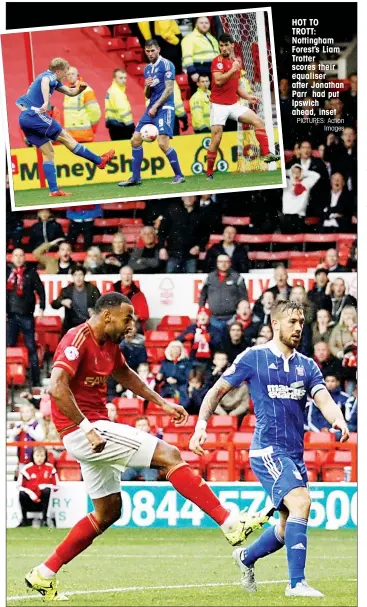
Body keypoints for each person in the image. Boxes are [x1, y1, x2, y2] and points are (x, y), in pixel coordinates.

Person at [25, 293, 269, 599]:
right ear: (107, 315)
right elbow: (57, 388)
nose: (131, 325)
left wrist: (161, 403)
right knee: (171, 455)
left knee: (107, 513)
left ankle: (43, 573)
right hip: (86, 430)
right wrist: (87, 429)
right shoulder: (76, 339)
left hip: (93, 431)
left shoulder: (110, 344)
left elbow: (125, 374)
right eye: (127, 318)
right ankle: (229, 521)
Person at [190, 300, 349, 598]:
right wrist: (201, 426)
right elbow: (216, 391)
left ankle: (246, 557)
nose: (298, 327)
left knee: (287, 524)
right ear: (276, 324)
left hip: (294, 453)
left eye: (301, 322)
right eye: (292, 322)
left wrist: (338, 420)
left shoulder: (307, 364)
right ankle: (296, 584)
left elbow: (323, 399)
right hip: (267, 450)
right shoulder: (254, 357)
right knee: (302, 502)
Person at [16, 57, 114, 197]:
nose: (66, 75)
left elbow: (70, 92)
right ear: (58, 71)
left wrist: (80, 89)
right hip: (35, 115)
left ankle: (54, 190)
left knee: (48, 152)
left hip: (25, 119)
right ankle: (99, 161)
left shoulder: (53, 80)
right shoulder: (47, 77)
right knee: (67, 138)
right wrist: (45, 102)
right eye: (65, 72)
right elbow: (45, 82)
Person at [206, 33, 280, 179]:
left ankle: (266, 154)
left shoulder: (235, 62)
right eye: (221, 45)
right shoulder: (218, 61)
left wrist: (248, 97)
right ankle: (209, 172)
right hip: (218, 105)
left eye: (226, 45)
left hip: (233, 104)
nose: (224, 48)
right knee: (216, 138)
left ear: (232, 45)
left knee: (258, 121)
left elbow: (237, 86)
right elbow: (219, 81)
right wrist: (233, 69)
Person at [118, 39, 185, 187]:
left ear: (158, 49)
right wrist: (147, 86)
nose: (150, 53)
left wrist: (155, 106)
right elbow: (147, 95)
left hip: (165, 108)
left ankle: (179, 175)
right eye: (147, 51)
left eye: (152, 50)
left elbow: (169, 90)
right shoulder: (147, 69)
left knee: (162, 143)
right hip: (152, 108)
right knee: (135, 140)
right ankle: (135, 178)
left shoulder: (167, 65)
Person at [6, 248, 45, 387]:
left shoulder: (31, 273)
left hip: (27, 316)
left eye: (21, 255)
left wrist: (42, 308)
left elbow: (41, 290)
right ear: (11, 257)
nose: (18, 258)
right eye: (15, 255)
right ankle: (10, 379)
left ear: (24, 257)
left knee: (31, 349)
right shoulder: (6, 272)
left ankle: (36, 381)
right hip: (10, 316)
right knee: (9, 347)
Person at [199, 255, 248, 333]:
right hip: (213, 318)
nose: (223, 264)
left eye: (226, 262)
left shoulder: (237, 278)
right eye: (221, 262)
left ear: (230, 263)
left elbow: (244, 298)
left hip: (232, 318)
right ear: (217, 263)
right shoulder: (210, 278)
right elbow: (203, 296)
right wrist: (201, 310)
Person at [158, 197, 206, 273]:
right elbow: (162, 232)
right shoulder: (172, 211)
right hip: (173, 255)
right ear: (182, 197)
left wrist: (198, 246)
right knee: (171, 282)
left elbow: (205, 234)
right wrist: (161, 248)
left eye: (191, 196)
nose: (188, 198)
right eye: (186, 196)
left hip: (191, 256)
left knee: (190, 283)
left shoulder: (201, 213)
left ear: (195, 198)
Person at [51, 265, 101, 335]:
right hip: (71, 326)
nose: (78, 278)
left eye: (80, 275)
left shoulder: (92, 289)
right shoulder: (67, 290)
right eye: (75, 275)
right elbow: (54, 305)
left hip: (89, 324)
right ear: (72, 277)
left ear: (84, 276)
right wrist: (62, 301)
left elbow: (100, 305)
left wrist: (93, 310)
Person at [17, 446, 59, 528]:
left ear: (45, 456)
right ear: (33, 456)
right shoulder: (26, 469)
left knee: (47, 490)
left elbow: (57, 486)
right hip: (30, 500)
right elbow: (19, 486)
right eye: (37, 456)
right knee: (21, 493)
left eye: (42, 456)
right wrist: (31, 493)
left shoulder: (50, 468)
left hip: (43, 500)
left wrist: (45, 486)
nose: (39, 458)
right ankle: (24, 520)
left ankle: (44, 520)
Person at [181, 16, 219, 96]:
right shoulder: (189, 38)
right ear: (196, 24)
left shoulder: (212, 38)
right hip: (198, 72)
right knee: (198, 97)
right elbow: (187, 57)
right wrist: (192, 72)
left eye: (206, 23)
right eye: (201, 23)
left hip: (212, 72)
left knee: (212, 97)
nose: (204, 25)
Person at [63, 66, 101, 142]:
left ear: (77, 75)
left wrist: (92, 129)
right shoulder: (67, 91)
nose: (70, 76)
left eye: (72, 74)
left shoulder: (86, 90)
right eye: (68, 74)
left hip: (84, 135)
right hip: (71, 136)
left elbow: (95, 112)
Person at [281, 165, 320, 233]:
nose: (296, 174)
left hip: (300, 217)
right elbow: (277, 174)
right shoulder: (287, 183)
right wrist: (288, 172)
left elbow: (316, 175)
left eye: (298, 172)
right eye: (294, 172)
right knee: (287, 242)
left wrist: (304, 172)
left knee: (299, 241)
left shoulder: (305, 183)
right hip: (287, 217)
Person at [121, 417, 159, 481]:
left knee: (150, 478)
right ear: (135, 428)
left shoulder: (155, 441)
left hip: (149, 467)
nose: (141, 427)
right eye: (139, 425)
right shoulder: (129, 440)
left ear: (148, 427)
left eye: (144, 425)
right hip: (132, 467)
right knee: (124, 477)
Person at [113, 266, 149, 333]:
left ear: (132, 276)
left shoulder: (138, 294)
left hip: (133, 322)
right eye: (124, 274)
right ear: (120, 276)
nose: (127, 276)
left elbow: (144, 314)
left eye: (129, 274)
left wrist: (134, 317)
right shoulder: (112, 290)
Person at [8, 404, 45, 469]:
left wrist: (29, 431)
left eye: (27, 411)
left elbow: (41, 438)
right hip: (21, 460)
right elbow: (10, 441)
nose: (25, 414)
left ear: (32, 412)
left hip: (34, 460)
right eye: (23, 412)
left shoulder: (35, 425)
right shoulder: (18, 425)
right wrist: (14, 433)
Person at [105, 69, 134, 141]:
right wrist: (131, 126)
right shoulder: (117, 92)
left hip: (114, 126)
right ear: (114, 79)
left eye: (125, 78)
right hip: (122, 126)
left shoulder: (111, 90)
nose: (123, 80)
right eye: (120, 78)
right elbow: (123, 110)